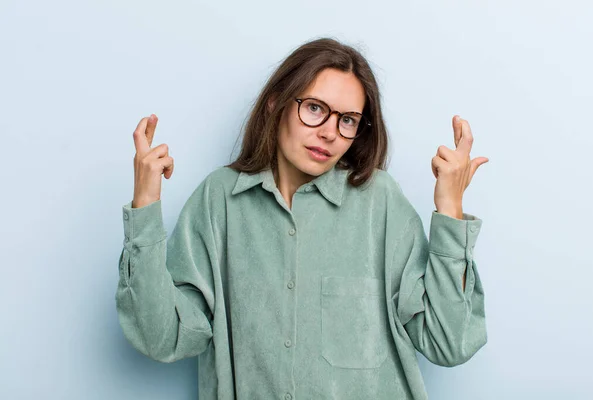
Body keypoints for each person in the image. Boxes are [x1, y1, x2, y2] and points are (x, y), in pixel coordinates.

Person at [116, 37, 489, 400]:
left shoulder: (380, 201)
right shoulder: (219, 201)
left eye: (347, 120)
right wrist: (145, 204)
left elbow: (448, 343)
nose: (329, 132)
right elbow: (162, 337)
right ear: (275, 103)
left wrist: (450, 209)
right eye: (314, 108)